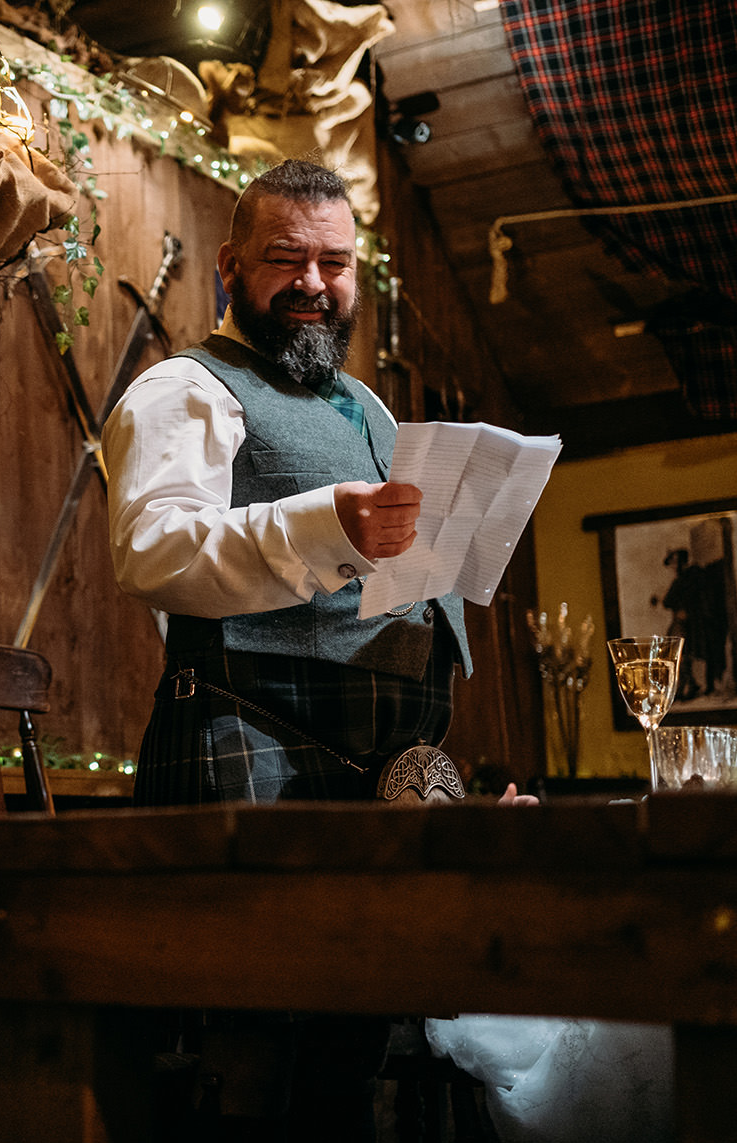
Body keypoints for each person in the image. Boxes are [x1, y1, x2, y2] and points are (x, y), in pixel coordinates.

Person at [103, 159, 531, 1140]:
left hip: (384, 772)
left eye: (333, 263)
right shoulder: (183, 388)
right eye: (284, 258)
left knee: (348, 1064)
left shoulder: (373, 412)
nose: (312, 283)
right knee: (261, 1061)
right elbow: (152, 552)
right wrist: (324, 526)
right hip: (248, 748)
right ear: (228, 268)